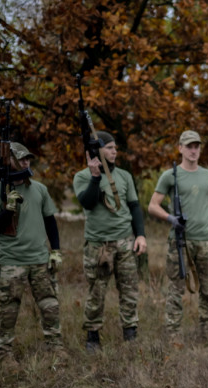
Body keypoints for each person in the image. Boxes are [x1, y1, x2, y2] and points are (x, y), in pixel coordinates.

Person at [0, 142, 63, 368]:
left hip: (39, 258)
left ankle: (56, 348)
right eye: (21, 158)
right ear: (9, 161)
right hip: (11, 262)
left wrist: (55, 250)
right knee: (8, 307)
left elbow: (50, 221)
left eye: (29, 158)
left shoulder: (39, 190)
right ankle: (4, 354)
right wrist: (7, 210)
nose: (27, 162)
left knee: (50, 304)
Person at [148, 130, 208, 337]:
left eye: (197, 146)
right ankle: (172, 333)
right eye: (189, 146)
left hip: (205, 241)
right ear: (180, 148)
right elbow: (153, 205)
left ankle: (206, 331)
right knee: (176, 288)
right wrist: (171, 219)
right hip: (180, 240)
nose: (193, 151)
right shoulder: (170, 176)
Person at [73, 131, 147, 351]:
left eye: (115, 148)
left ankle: (130, 332)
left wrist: (140, 235)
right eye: (110, 148)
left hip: (125, 241)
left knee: (129, 289)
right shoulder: (82, 176)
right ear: (97, 150)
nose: (115, 152)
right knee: (97, 291)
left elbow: (134, 206)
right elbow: (87, 203)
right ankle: (93, 335)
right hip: (98, 245)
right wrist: (95, 178)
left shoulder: (124, 176)